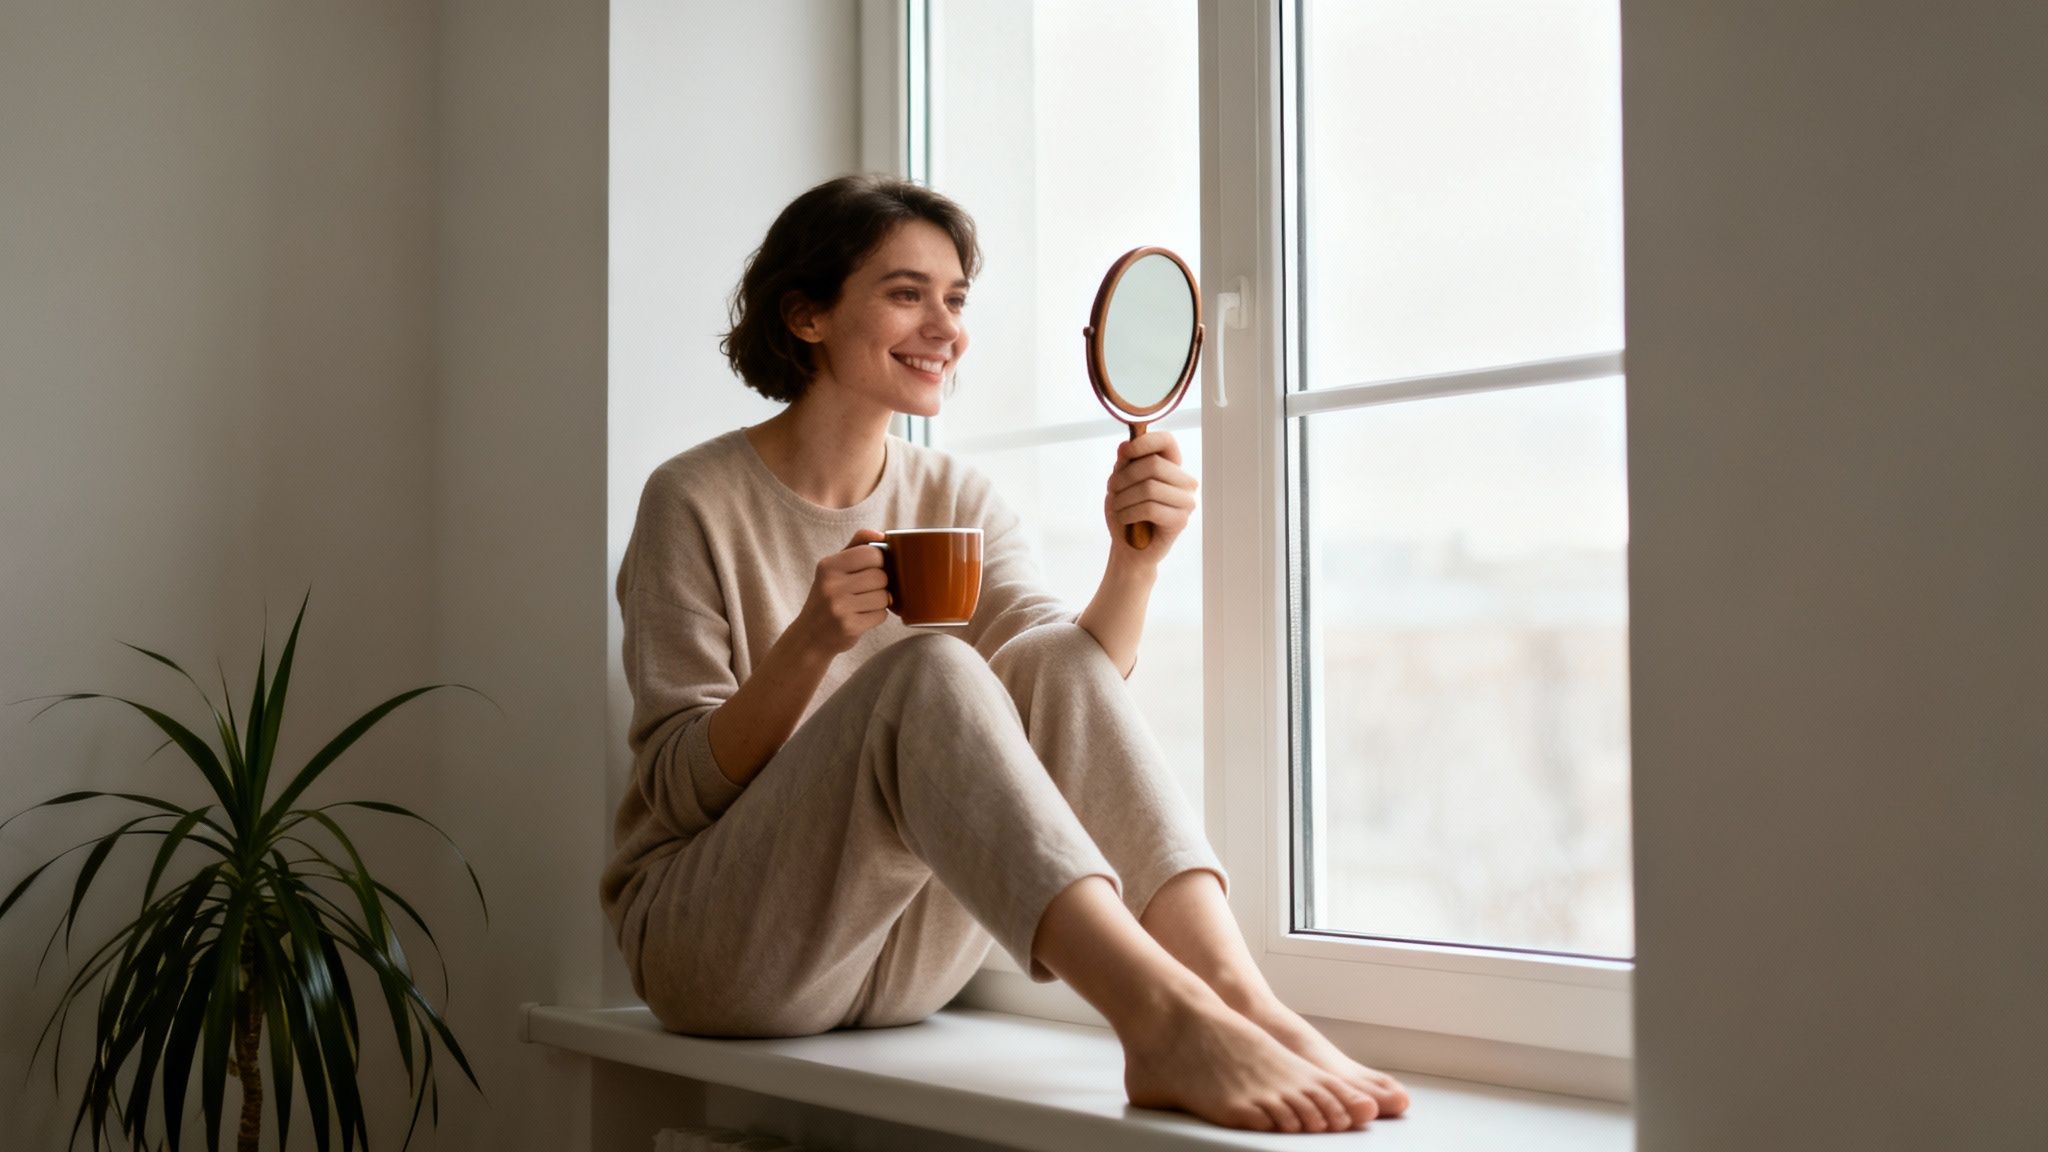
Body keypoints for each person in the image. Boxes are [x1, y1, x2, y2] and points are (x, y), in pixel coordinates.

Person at [601, 174, 1411, 1135]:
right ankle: (1158, 1018)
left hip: (904, 961)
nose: (946, 327)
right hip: (719, 948)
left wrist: (1133, 566)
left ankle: (1241, 999)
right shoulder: (691, 499)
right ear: (806, 314)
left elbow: (1069, 681)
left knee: (1048, 657)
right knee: (932, 667)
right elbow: (682, 788)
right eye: (907, 294)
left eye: (955, 299)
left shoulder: (959, 494)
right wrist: (813, 642)